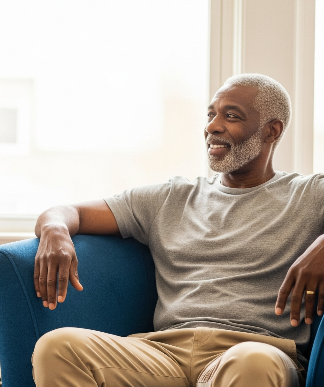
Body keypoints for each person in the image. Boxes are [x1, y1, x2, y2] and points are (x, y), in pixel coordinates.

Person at [31, 73, 324, 387]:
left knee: (253, 361)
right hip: (163, 354)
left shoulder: (308, 194)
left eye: (231, 116)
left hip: (254, 352)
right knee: (57, 347)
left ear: (271, 130)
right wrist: (55, 231)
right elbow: (69, 212)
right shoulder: (171, 197)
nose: (212, 126)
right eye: (211, 115)